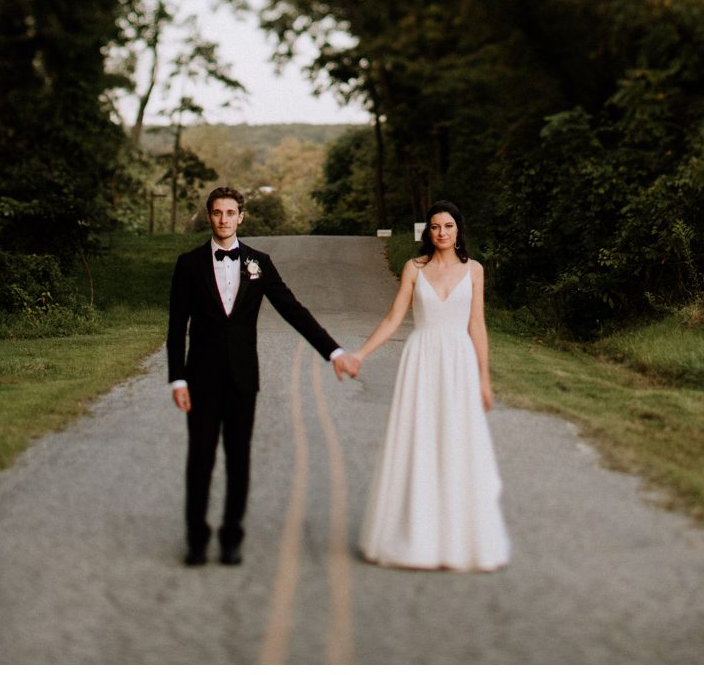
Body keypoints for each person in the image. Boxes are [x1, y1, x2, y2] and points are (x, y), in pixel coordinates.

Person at [167, 186, 359, 566]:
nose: (224, 219)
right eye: (217, 212)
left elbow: (293, 310)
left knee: (239, 459)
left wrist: (334, 352)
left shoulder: (259, 262)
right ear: (209, 216)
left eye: (230, 213)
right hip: (201, 378)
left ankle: (231, 537)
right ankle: (196, 539)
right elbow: (176, 326)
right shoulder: (188, 264)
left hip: (242, 378)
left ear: (241, 217)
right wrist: (178, 378)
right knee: (200, 458)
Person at [351, 200, 510, 571]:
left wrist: (484, 378)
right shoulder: (414, 267)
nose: (442, 232)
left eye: (449, 226)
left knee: (457, 440)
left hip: (459, 362)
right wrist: (360, 354)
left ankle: (459, 538)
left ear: (458, 230)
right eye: (436, 226)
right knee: (420, 439)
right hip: (421, 360)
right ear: (428, 232)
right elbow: (393, 318)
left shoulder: (474, 270)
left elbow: (477, 325)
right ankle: (414, 535)